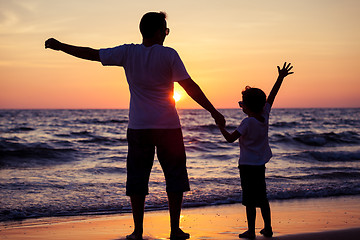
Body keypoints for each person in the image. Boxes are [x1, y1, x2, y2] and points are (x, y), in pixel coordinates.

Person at [45, 11, 225, 240]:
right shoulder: (169, 55)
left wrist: (61, 46)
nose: (167, 35)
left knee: (138, 178)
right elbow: (190, 86)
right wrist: (213, 112)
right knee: (175, 177)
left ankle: (138, 231)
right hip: (169, 127)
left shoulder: (128, 52)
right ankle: (174, 229)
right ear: (160, 31)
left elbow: (92, 54)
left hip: (139, 127)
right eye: (166, 30)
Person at [217, 62, 294, 239]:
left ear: (247, 106)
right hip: (260, 165)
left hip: (246, 166)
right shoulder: (264, 115)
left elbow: (230, 139)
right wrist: (280, 78)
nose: (241, 106)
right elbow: (272, 96)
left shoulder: (247, 122)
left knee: (249, 200)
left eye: (242, 104)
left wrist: (221, 126)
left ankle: (251, 231)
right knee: (262, 197)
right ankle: (268, 228)